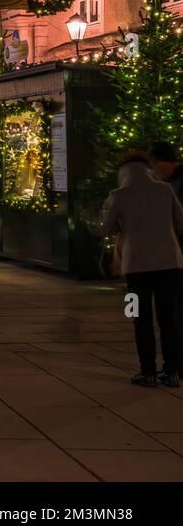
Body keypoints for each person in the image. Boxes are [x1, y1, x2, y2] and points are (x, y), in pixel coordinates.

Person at [100, 152, 183, 387]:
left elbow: (104, 228)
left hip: (135, 268)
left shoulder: (119, 196)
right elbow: (181, 221)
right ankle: (172, 371)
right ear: (147, 169)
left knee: (139, 318)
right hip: (170, 265)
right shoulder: (165, 190)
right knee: (169, 319)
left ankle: (147, 372)